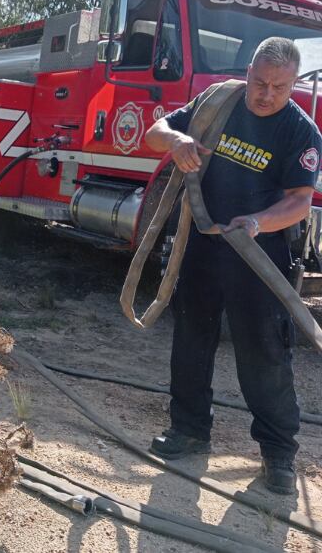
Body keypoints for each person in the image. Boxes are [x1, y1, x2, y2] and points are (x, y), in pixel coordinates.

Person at [144, 36, 321, 496]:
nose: (265, 94)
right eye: (258, 82)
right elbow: (155, 130)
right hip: (203, 244)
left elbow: (300, 202)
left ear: (294, 85)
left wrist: (258, 222)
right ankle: (188, 430)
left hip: (259, 255)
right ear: (247, 73)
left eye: (278, 87)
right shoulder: (218, 101)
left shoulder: (301, 132)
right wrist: (177, 139)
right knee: (192, 337)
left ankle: (278, 453)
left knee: (263, 350)